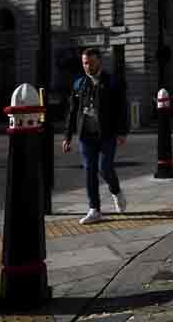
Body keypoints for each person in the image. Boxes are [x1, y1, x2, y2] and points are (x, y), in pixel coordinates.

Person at [62, 48, 128, 224]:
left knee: (104, 167)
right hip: (86, 135)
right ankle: (94, 209)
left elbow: (122, 108)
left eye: (90, 62)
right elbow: (72, 111)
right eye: (84, 62)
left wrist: (122, 131)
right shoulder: (79, 84)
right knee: (90, 170)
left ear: (99, 61)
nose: (87, 66)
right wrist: (67, 136)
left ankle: (116, 191)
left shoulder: (113, 81)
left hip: (107, 133)